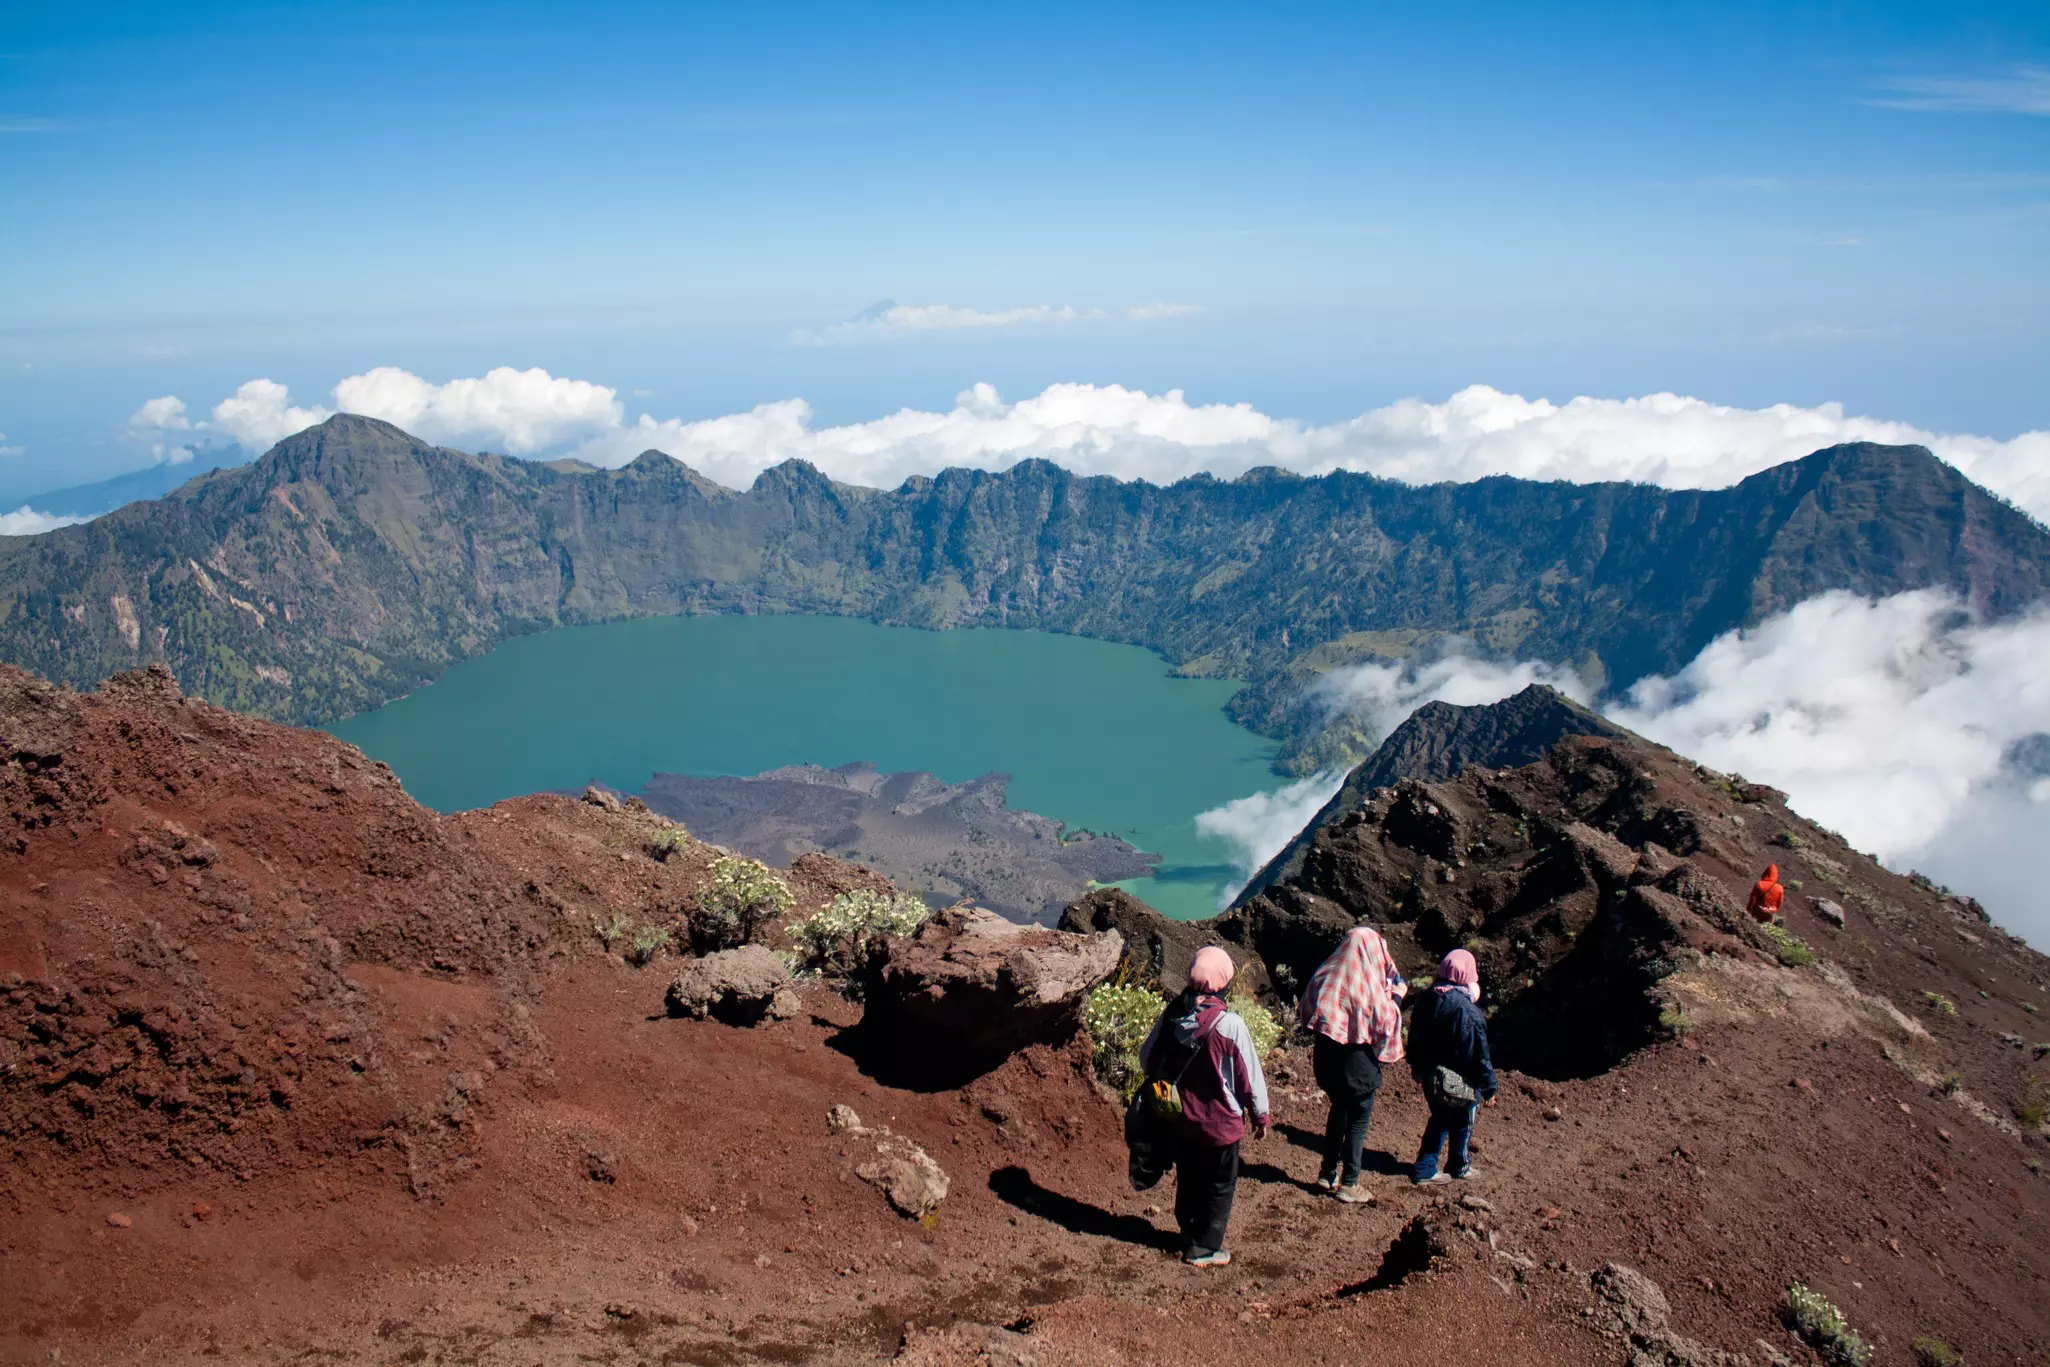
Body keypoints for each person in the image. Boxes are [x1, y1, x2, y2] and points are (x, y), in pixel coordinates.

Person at [1139, 946, 1271, 1268]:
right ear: (1224, 983)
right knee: (1218, 1186)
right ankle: (1204, 1248)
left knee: (1189, 1178)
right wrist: (1260, 1115)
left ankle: (1188, 1234)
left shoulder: (1173, 1015)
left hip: (1181, 1120)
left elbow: (1147, 1059)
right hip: (1221, 1126)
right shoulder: (1230, 1025)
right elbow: (1248, 1078)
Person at [1296, 925, 1408, 1204]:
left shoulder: (1326, 975)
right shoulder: (1369, 988)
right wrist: (1396, 997)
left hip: (1326, 1061)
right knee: (1358, 1120)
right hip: (1357, 1065)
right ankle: (1350, 1182)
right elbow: (1386, 1020)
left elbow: (1307, 1007)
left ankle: (1327, 1172)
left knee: (1338, 1111)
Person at [1408, 949, 1497, 1185]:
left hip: (1430, 1073)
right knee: (1460, 1116)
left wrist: (1416, 1065)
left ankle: (1442, 1164)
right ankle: (1442, 1166)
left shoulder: (1427, 998)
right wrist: (1489, 1086)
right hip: (1459, 1077)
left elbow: (1415, 1036)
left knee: (1442, 1116)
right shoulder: (1467, 1009)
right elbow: (1479, 1053)